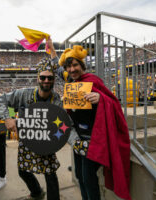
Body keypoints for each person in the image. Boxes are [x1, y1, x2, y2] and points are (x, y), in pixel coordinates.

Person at [47, 39, 131, 200]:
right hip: (79, 138)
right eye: (69, 67)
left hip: (94, 140)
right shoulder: (72, 81)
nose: (72, 69)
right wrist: (51, 49)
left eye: (75, 65)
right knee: (79, 175)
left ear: (82, 65)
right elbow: (58, 69)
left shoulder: (92, 80)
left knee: (88, 178)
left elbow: (113, 104)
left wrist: (100, 98)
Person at [0, 58, 61, 200]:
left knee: (50, 173)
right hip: (27, 140)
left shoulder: (57, 100)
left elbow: (61, 124)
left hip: (46, 142)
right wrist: (8, 118)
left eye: (49, 78)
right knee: (23, 171)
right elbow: (2, 100)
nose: (46, 80)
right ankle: (37, 192)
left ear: (54, 80)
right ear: (37, 78)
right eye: (43, 77)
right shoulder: (24, 93)